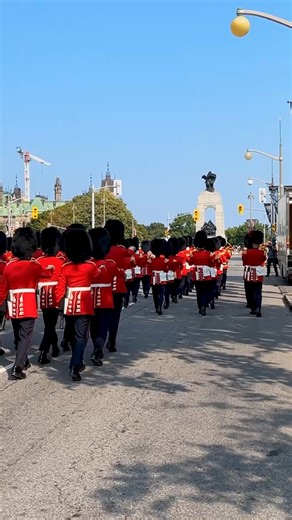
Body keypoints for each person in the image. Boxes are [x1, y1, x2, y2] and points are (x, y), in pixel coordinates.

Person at [2, 227, 54, 380]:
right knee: (26, 336)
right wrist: (50, 269)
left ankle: (23, 360)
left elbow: (4, 288)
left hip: (14, 304)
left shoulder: (9, 266)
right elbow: (45, 274)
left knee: (19, 334)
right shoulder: (34, 265)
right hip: (28, 303)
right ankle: (17, 367)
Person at [55, 228, 99, 381]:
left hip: (69, 303)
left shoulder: (65, 267)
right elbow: (96, 278)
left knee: (74, 334)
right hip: (85, 302)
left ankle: (77, 361)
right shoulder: (91, 266)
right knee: (81, 335)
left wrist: (58, 306)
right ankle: (75, 364)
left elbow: (60, 289)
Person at [89, 227, 119, 366]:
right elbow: (119, 275)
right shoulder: (111, 264)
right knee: (103, 326)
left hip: (89, 299)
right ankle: (97, 349)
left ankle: (96, 347)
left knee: (93, 327)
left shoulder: (88, 264)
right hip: (106, 299)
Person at [37, 227, 65, 364]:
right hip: (55, 294)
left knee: (49, 323)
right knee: (50, 325)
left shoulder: (39, 261)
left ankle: (54, 347)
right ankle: (43, 350)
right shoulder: (61, 262)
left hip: (43, 295)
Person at [104, 219, 133, 352]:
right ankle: (112, 341)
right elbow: (129, 264)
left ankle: (100, 341)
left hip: (102, 286)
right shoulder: (122, 250)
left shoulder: (102, 249)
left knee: (103, 315)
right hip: (118, 286)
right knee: (115, 316)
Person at [189, 230, 215, 316]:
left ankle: (201, 307)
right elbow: (212, 264)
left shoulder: (193, 254)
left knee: (199, 292)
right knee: (205, 291)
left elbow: (190, 262)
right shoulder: (208, 254)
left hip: (197, 274)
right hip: (206, 274)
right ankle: (204, 304)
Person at [242, 230, 266, 317]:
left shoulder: (246, 252)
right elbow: (263, 260)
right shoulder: (262, 252)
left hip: (249, 273)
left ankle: (253, 308)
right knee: (258, 292)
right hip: (259, 273)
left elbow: (244, 262)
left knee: (249, 293)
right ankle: (258, 308)